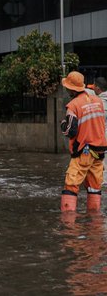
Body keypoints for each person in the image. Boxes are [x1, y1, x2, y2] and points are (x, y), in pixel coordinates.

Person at [60, 71, 107, 212]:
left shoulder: (73, 105)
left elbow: (70, 131)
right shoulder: (98, 101)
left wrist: (63, 124)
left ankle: (68, 226)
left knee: (71, 184)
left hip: (83, 151)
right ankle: (95, 223)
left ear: (71, 89)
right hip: (99, 150)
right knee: (94, 186)